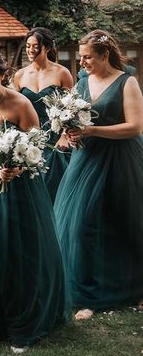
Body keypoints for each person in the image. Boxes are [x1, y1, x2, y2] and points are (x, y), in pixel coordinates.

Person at [0, 46, 69, 353]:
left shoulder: (20, 105)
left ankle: (23, 319)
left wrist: (17, 167)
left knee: (16, 249)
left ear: (3, 76)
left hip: (18, 188)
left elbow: (39, 149)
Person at [54, 30, 143, 321]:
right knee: (81, 224)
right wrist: (70, 132)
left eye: (88, 57)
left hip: (121, 160)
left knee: (128, 222)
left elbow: (134, 127)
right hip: (87, 161)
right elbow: (78, 120)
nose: (82, 63)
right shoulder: (81, 83)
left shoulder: (127, 82)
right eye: (81, 57)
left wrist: (93, 130)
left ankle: (136, 287)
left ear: (105, 56)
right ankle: (86, 293)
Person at [14, 27, 73, 202]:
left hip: (56, 140)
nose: (30, 50)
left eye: (35, 46)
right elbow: (14, 109)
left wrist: (64, 136)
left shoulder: (62, 73)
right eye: (28, 46)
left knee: (56, 190)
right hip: (29, 138)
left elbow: (72, 108)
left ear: (47, 47)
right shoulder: (20, 75)